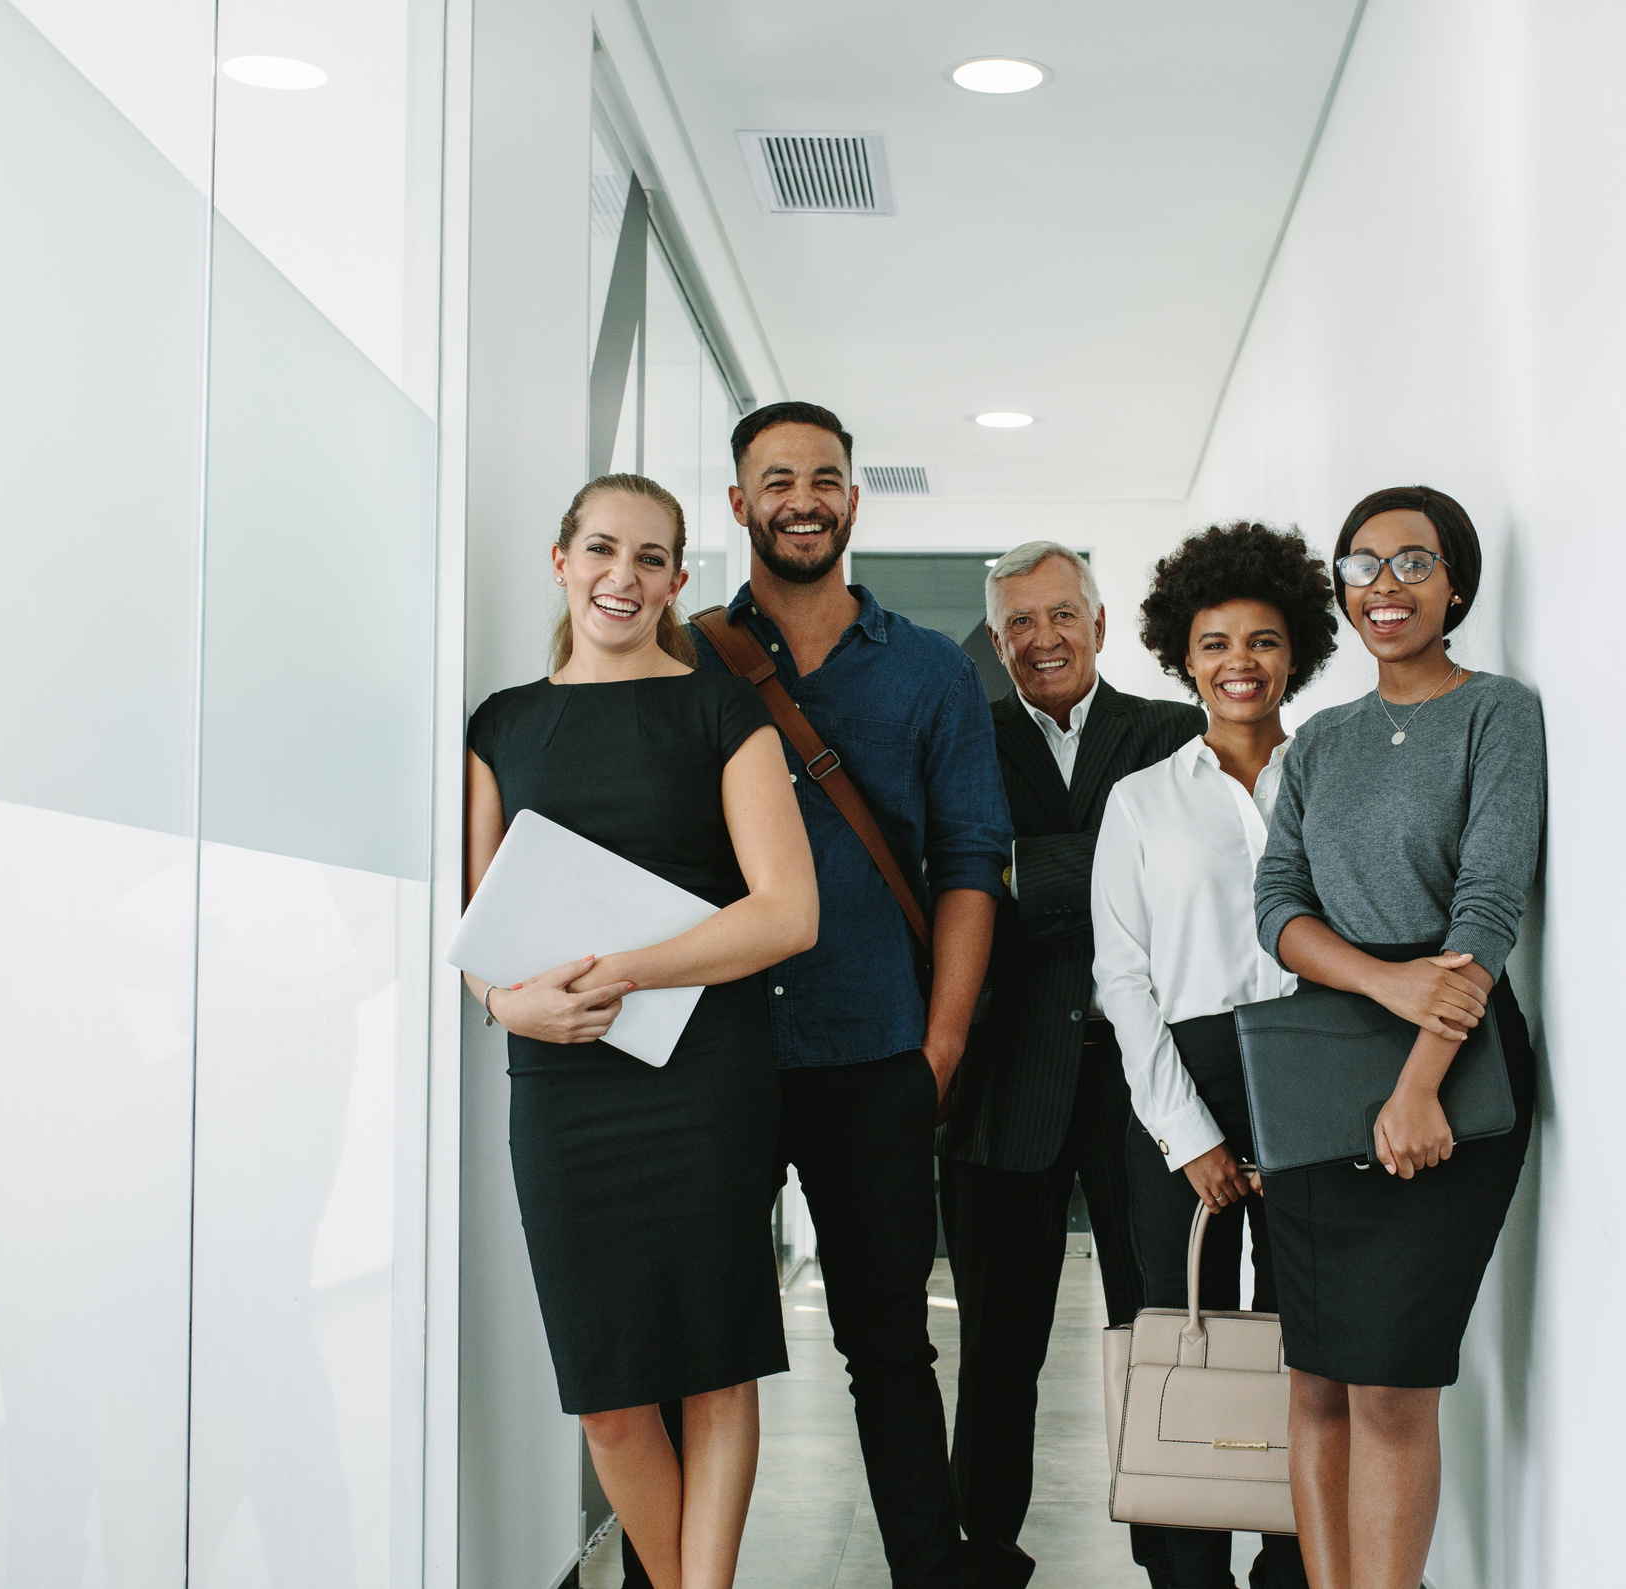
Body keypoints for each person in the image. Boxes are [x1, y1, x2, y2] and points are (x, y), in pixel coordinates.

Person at [460, 473, 820, 1589]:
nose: (625, 576)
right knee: (611, 1401)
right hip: (563, 1086)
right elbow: (480, 936)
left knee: (715, 1368)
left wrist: (627, 967)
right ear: (561, 559)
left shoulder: (719, 708)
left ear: (674, 579)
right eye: (603, 550)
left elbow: (787, 912)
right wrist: (503, 1002)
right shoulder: (504, 723)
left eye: (653, 557)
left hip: (702, 1080)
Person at [691, 401, 1011, 1589]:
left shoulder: (927, 670)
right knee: (700, 1344)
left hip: (875, 1048)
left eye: (824, 475)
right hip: (716, 1051)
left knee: (888, 1344)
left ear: (852, 499)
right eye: (776, 478)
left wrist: (937, 1045)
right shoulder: (684, 656)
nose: (802, 496)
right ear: (739, 505)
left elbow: (972, 862)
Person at [1249, 487, 1544, 1589]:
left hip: (1452, 1079)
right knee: (1317, 1376)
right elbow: (1277, 904)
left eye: (1412, 562)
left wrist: (1420, 1079)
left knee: (1388, 1381)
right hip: (1320, 1069)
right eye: (1362, 563)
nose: (1384, 584)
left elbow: (1487, 909)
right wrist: (1383, 979)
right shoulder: (1320, 739)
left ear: (1455, 585)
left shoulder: (1496, 714)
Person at [937, 541, 1205, 1589]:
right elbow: (945, 879)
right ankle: (985, 1553)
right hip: (1003, 1082)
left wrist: (1016, 873)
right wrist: (1106, 862)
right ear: (997, 642)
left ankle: (1178, 1557)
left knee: (1159, 1331)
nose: (1041, 638)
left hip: (1152, 1085)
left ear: (1098, 622)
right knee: (998, 1351)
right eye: (1018, 624)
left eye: (1060, 615)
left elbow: (1185, 884)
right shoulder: (965, 737)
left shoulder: (1175, 731)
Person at [1092, 523, 1339, 1589]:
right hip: (1181, 1072)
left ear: (1296, 654)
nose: (1240, 659)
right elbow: (1122, 977)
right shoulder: (1142, 799)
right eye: (1214, 641)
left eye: (1264, 639)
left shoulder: (1335, 778)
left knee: (1311, 1326)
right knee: (1176, 1315)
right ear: (1181, 657)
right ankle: (1182, 1565)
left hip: (1317, 1067)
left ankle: (1292, 1561)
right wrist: (1187, 1130)